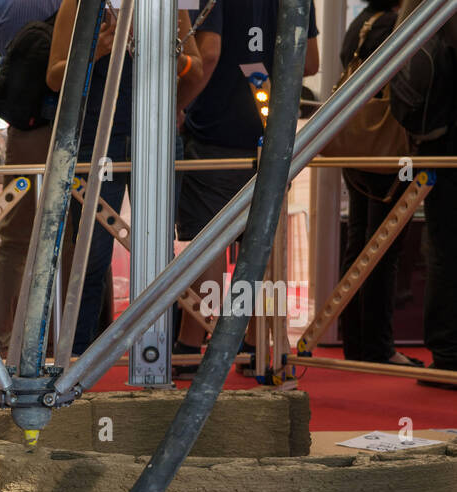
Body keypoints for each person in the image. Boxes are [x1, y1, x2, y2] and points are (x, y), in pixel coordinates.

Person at [47, 0, 205, 357]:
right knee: (91, 255)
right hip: (97, 139)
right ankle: (77, 361)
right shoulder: (81, 5)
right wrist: (98, 51)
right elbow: (55, 77)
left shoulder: (167, 7)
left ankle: (153, 354)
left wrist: (168, 56)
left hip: (157, 134)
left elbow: (194, 68)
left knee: (157, 253)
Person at [176, 0, 319, 369]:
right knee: (261, 242)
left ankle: (193, 344)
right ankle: (257, 345)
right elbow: (310, 62)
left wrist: (178, 105)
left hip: (215, 129)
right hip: (269, 134)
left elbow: (207, 53)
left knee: (209, 239)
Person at [337, 0, 418, 368]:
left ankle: (354, 340)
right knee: (384, 247)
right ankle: (379, 346)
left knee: (360, 244)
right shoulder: (393, 25)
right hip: (389, 150)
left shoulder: (361, 24)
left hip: (357, 147)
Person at [0, 0, 62, 352]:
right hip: (47, 129)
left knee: (16, 238)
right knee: (66, 237)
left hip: (26, 129)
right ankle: (58, 338)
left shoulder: (6, 5)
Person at [395, 0, 457, 386]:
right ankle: (449, 354)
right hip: (450, 140)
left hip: (431, 141)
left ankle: (447, 353)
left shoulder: (415, 10)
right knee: (446, 250)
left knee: (443, 247)